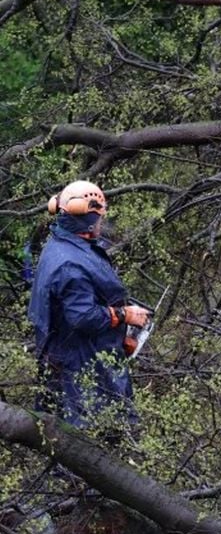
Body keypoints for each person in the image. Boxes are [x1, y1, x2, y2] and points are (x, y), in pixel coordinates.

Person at [28, 180, 148, 430]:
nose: (101, 223)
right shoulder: (70, 265)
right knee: (97, 433)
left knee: (61, 432)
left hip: (66, 354)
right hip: (81, 365)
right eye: (99, 217)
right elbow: (83, 317)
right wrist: (124, 315)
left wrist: (118, 333)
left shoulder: (63, 244)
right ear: (87, 217)